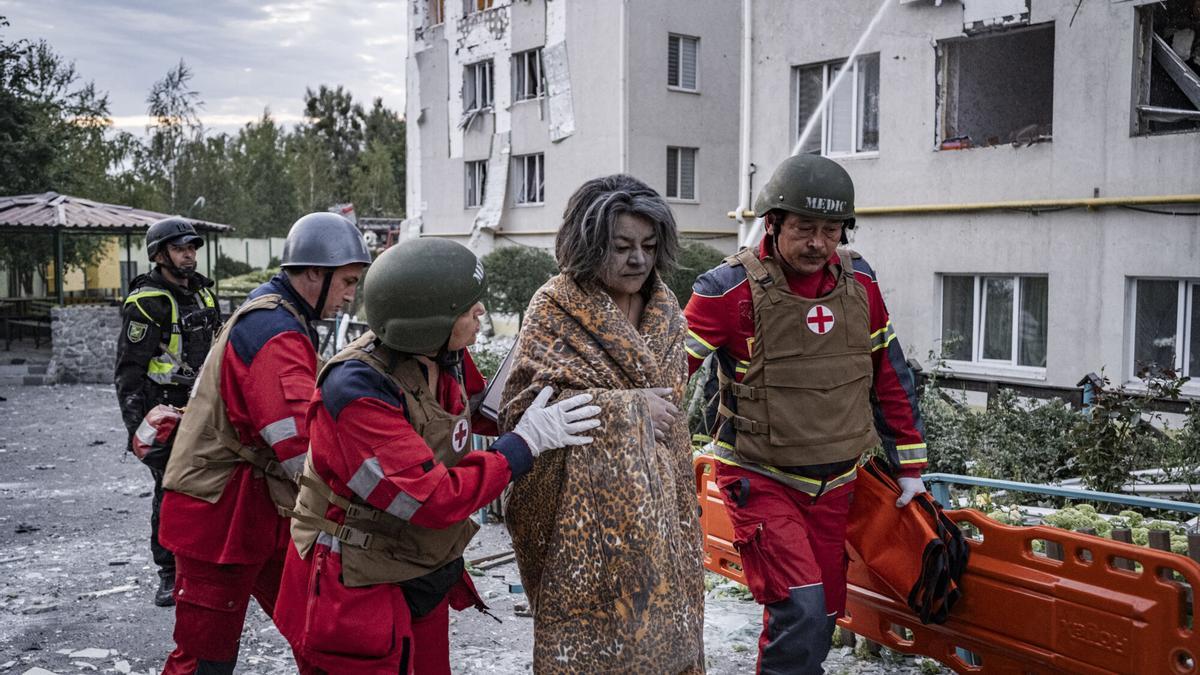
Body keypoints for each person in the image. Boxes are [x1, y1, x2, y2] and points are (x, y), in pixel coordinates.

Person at [273, 237, 601, 675]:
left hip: (416, 564)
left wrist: (538, 395)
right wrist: (524, 444)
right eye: (468, 309)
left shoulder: (440, 355)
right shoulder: (356, 393)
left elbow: (474, 410)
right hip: (355, 585)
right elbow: (433, 499)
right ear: (429, 323)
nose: (480, 313)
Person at [683, 154, 928, 674]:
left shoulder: (860, 283)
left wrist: (910, 468)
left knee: (825, 614)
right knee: (800, 607)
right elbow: (662, 378)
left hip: (838, 482)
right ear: (773, 224)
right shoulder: (725, 291)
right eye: (805, 228)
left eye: (831, 230)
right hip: (760, 476)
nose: (819, 243)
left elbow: (889, 372)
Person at [499, 174, 706, 674]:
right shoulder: (555, 307)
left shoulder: (666, 309)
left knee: (666, 636)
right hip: (579, 520)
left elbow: (670, 408)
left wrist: (645, 415)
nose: (638, 260)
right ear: (589, 245)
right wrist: (630, 411)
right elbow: (527, 407)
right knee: (590, 647)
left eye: (649, 246)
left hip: (661, 507)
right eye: (621, 247)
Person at [157, 212, 372, 675]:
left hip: (255, 509)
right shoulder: (275, 332)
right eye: (348, 281)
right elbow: (302, 449)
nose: (351, 294)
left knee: (317, 631)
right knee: (206, 658)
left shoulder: (276, 312)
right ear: (316, 272)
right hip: (217, 517)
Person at [114, 216, 220, 607]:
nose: (189, 255)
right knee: (170, 490)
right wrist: (138, 433)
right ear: (159, 255)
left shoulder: (205, 295)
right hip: (164, 413)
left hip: (206, 409)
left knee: (212, 485)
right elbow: (128, 373)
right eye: (180, 248)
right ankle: (168, 572)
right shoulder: (147, 302)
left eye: (192, 248)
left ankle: (201, 562)